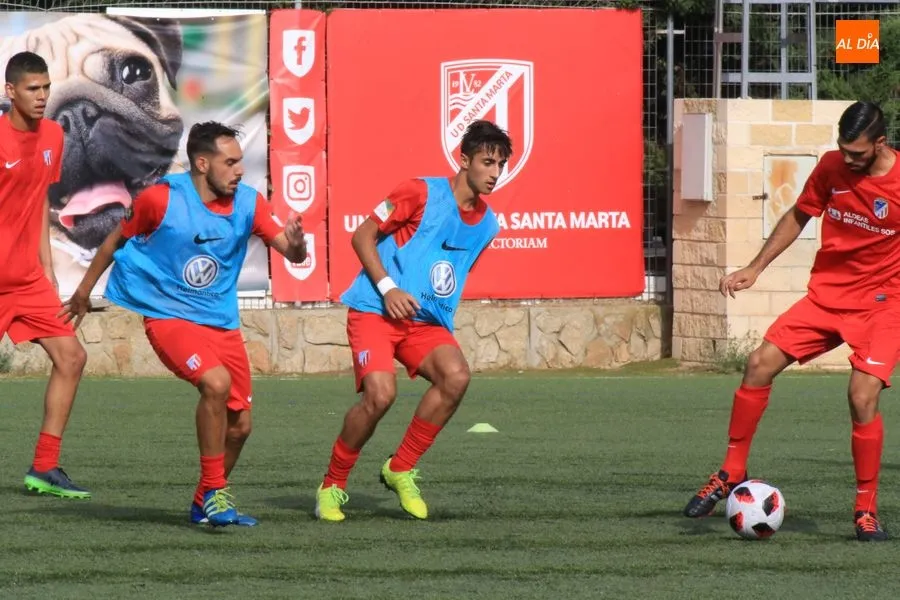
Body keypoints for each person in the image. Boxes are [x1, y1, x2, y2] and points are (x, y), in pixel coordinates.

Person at [61, 121, 308, 527]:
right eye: (230, 163)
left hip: (220, 322)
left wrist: (296, 247)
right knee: (215, 383)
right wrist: (84, 292)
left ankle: (202, 503)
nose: (240, 170)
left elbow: (290, 252)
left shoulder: (250, 203)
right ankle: (215, 492)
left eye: (241, 162)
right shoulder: (160, 200)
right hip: (168, 316)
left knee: (241, 426)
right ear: (201, 163)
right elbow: (114, 242)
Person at [683, 101, 900, 542]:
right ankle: (731, 471)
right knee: (759, 363)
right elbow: (800, 214)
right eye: (843, 150)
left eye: (857, 153)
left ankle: (865, 510)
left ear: (880, 142)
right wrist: (755, 267)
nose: (849, 160)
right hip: (827, 297)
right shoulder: (831, 167)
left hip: (882, 304)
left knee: (861, 396)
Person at [314, 120, 511, 522]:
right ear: (464, 159)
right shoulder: (418, 192)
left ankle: (400, 467)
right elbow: (361, 236)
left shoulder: (488, 225)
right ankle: (332, 486)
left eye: (501, 166)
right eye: (487, 162)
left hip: (423, 325)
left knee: (456, 377)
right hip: (376, 308)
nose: (494, 173)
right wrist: (388, 287)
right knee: (380, 396)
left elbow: (450, 273)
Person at [1, 51, 91, 499]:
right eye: (32, 89)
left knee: (72, 358)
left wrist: (50, 269)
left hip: (29, 279)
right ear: (9, 91)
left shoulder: (53, 135)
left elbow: (37, 199)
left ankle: (45, 466)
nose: (41, 97)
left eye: (46, 88)